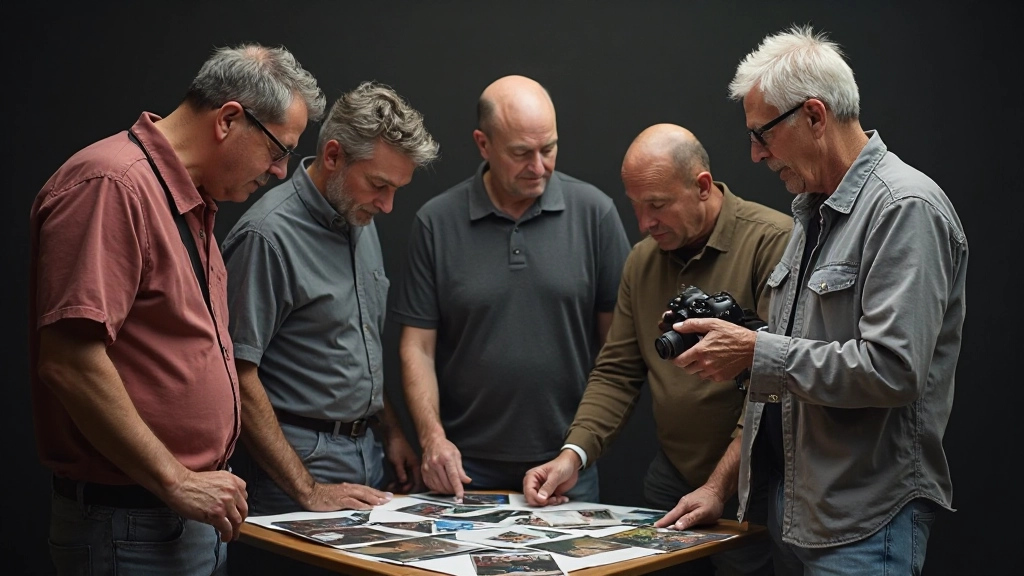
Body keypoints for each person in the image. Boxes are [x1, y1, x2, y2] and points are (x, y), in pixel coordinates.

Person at [669, 25, 967, 575]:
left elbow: (894, 369)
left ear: (813, 115)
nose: (755, 155)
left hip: (864, 524)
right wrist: (721, 487)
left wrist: (756, 351)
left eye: (762, 135)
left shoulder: (905, 208)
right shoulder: (813, 210)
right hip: (795, 517)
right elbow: (794, 369)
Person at [30, 43, 324, 575]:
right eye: (279, 150)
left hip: (186, 521)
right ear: (229, 119)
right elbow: (70, 361)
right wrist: (178, 479)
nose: (281, 172)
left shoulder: (190, 198)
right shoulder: (112, 185)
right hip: (129, 525)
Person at [523, 124, 791, 576]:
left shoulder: (773, 241)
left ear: (702, 186)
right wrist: (573, 456)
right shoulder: (642, 259)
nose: (644, 223)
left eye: (658, 205)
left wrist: (718, 486)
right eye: (634, 204)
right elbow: (616, 373)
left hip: (753, 482)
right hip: (673, 478)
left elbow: (772, 385)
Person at [393, 75, 631, 503]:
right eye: (521, 153)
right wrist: (432, 439)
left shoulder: (595, 214)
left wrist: (580, 448)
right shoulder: (436, 222)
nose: (539, 167)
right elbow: (417, 348)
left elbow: (618, 352)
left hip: (567, 467)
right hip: (462, 470)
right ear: (483, 144)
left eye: (549, 149)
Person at [223, 80, 437, 517]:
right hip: (292, 469)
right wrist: (309, 490)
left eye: (397, 188)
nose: (389, 205)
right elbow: (235, 378)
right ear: (334, 155)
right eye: (380, 185)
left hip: (368, 457)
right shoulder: (267, 236)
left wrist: (392, 431)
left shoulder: (360, 217)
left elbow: (357, 350)